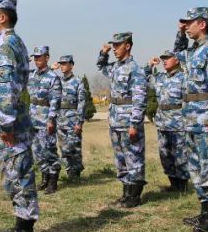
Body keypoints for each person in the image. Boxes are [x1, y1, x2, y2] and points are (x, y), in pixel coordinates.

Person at [0, 0, 38, 232]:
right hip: (15, 117)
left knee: (17, 173)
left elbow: (5, 87)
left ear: (2, 17)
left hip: (9, 122)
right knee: (16, 171)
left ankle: (24, 230)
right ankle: (22, 225)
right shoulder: (14, 42)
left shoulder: (5, 44)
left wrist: (5, 124)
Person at [173, 8, 208, 232]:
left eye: (190, 23)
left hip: (207, 120)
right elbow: (177, 53)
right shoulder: (192, 52)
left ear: (203, 24)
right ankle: (204, 211)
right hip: (191, 120)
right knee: (196, 168)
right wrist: (179, 33)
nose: (186, 26)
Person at [98, 33, 148, 207]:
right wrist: (103, 53)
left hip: (128, 121)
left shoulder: (135, 69)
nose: (114, 48)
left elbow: (140, 99)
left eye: (117, 45)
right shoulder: (115, 67)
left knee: (133, 157)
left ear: (127, 46)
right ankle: (126, 193)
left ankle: (135, 196)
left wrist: (135, 124)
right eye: (113, 45)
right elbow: (101, 67)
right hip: (115, 120)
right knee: (120, 159)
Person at [146, 50, 189, 192]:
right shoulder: (160, 78)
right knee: (165, 154)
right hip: (162, 122)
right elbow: (144, 79)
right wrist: (149, 66)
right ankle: (173, 183)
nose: (164, 61)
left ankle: (182, 185)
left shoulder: (184, 78)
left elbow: (188, 101)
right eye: (162, 59)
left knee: (180, 155)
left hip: (178, 122)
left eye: (167, 58)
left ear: (177, 60)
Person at [28, 45, 63, 194]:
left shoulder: (53, 78)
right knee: (37, 151)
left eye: (39, 57)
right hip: (33, 119)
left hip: (45, 119)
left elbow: (55, 101)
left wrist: (51, 120)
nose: (36, 60)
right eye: (35, 57)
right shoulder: (32, 75)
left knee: (49, 150)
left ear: (47, 58)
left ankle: (53, 181)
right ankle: (44, 178)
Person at [55, 55, 87, 181]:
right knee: (63, 148)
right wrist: (51, 69)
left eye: (65, 63)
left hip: (73, 120)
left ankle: (76, 172)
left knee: (74, 147)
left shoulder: (78, 82)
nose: (62, 66)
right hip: (60, 120)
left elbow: (82, 103)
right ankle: (70, 172)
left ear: (71, 65)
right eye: (61, 63)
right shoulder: (57, 81)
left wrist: (79, 122)